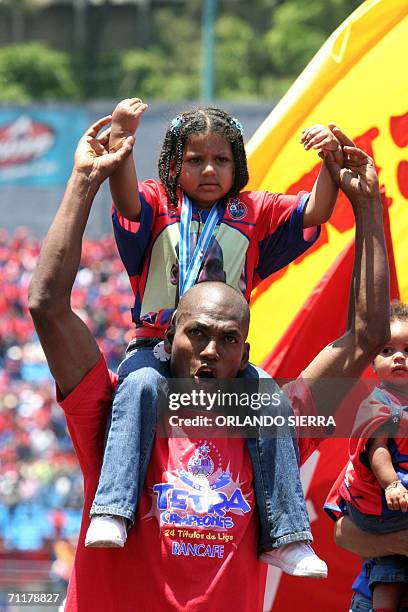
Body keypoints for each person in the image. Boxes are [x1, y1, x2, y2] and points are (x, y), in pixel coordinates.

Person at [28, 116, 389, 611]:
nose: (211, 351)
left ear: (246, 349)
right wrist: (86, 179)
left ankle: (289, 536)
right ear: (170, 333)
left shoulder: (271, 426)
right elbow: (47, 305)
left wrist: (368, 204)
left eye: (229, 339)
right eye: (196, 334)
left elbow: (367, 338)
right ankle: (114, 512)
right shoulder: (113, 419)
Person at [87, 98, 342, 567]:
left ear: (237, 164)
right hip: (156, 348)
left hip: (225, 358)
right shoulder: (157, 201)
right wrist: (121, 139)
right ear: (172, 165)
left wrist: (330, 161)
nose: (209, 169)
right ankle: (113, 510)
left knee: (269, 402)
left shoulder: (255, 210)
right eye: (195, 159)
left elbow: (316, 212)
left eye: (221, 159)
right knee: (138, 386)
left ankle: (286, 536)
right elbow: (124, 200)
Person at [326, 302, 408, 611]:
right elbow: (342, 531)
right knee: (387, 579)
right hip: (385, 521)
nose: (400, 356)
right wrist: (391, 486)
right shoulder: (382, 406)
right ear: (372, 364)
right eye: (387, 350)